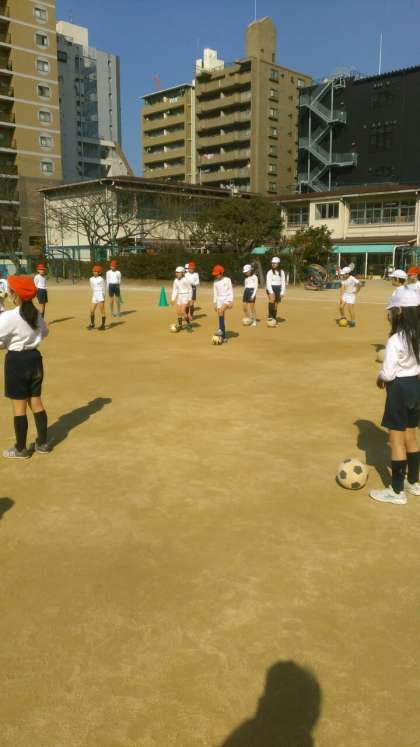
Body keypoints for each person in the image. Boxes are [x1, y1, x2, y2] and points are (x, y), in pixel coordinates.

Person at [370, 289, 420, 505]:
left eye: (391, 311)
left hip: (399, 389)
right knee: (411, 436)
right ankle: (414, 482)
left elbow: (389, 373)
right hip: (415, 386)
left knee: (396, 441)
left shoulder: (396, 339)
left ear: (399, 312)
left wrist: (380, 376)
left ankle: (397, 491)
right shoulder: (417, 335)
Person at [0, 275, 49, 459]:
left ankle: (20, 449)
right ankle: (42, 443)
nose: (9, 293)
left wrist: (7, 343)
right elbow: (45, 332)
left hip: (17, 361)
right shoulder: (36, 314)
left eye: (10, 291)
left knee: (19, 407)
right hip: (34, 359)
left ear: (16, 294)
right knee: (36, 402)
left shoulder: (10, 316)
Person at [212, 264, 233, 342]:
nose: (216, 276)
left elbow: (230, 290)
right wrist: (215, 303)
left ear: (221, 273)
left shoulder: (227, 280)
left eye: (217, 274)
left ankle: (220, 330)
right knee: (221, 315)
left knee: (221, 311)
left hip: (227, 299)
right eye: (215, 274)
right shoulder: (215, 282)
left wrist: (230, 301)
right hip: (219, 300)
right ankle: (223, 337)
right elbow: (215, 293)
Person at [171, 266, 192, 331]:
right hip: (179, 296)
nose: (177, 273)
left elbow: (190, 289)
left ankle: (188, 324)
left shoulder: (185, 280)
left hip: (185, 296)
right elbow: (175, 290)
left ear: (182, 273)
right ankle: (180, 326)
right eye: (176, 272)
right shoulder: (175, 280)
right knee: (178, 312)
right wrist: (173, 299)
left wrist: (189, 299)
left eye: (178, 272)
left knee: (183, 311)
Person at [266, 256, 286, 324]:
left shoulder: (282, 272)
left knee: (276, 305)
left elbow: (283, 282)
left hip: (278, 288)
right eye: (272, 263)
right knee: (272, 300)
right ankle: (270, 316)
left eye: (275, 263)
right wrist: (271, 292)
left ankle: (274, 318)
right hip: (271, 288)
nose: (273, 264)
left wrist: (282, 292)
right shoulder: (270, 272)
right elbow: (268, 283)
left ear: (278, 264)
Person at [89, 265, 106, 330]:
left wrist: (103, 297)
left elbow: (104, 289)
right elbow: (92, 287)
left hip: (100, 295)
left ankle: (103, 325)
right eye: (93, 271)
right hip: (95, 295)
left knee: (102, 311)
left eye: (96, 271)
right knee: (92, 311)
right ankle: (92, 324)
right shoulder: (91, 279)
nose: (94, 272)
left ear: (99, 272)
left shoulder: (101, 279)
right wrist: (94, 294)